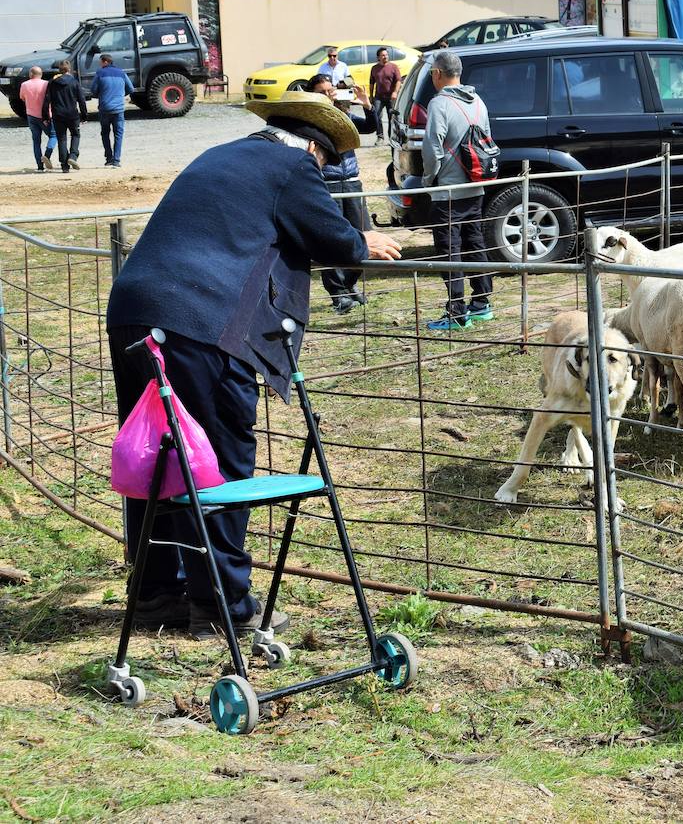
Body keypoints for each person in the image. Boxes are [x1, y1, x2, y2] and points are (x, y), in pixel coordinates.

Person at [105, 92, 402, 638]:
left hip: (133, 311)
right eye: (326, 164)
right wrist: (363, 238)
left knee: (159, 456)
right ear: (317, 148)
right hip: (199, 321)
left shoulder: (221, 154)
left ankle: (153, 595)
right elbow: (328, 234)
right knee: (215, 463)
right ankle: (222, 607)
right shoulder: (293, 165)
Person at [422, 49, 494, 331]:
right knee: (475, 242)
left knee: (449, 250)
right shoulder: (477, 100)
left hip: (448, 191)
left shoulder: (439, 104)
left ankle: (456, 312)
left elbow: (432, 148)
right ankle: (482, 303)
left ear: (438, 74)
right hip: (475, 185)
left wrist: (430, 179)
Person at [307, 72, 376, 313]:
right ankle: (337, 293)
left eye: (330, 90)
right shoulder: (312, 119)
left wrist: (366, 104)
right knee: (332, 239)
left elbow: (370, 127)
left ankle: (350, 284)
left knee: (361, 234)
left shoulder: (344, 114)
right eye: (322, 92)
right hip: (329, 183)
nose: (328, 94)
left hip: (352, 181)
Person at [42, 60, 84, 173]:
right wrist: (84, 115)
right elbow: (81, 100)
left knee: (61, 138)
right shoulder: (74, 82)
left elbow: (46, 101)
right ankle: (73, 156)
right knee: (75, 134)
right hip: (72, 114)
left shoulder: (52, 83)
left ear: (59, 70)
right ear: (69, 69)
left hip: (58, 114)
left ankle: (64, 166)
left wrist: (45, 116)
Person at [94, 54, 135, 167]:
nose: (100, 64)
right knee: (118, 134)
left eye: (100, 62)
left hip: (104, 108)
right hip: (118, 109)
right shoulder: (121, 73)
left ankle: (108, 159)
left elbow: (93, 90)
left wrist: (102, 95)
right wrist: (121, 94)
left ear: (105, 62)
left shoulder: (99, 73)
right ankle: (116, 161)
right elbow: (131, 88)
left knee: (105, 133)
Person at [19, 66, 56, 172]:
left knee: (36, 141)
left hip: (31, 115)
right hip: (46, 115)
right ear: (41, 74)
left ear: (31, 74)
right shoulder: (46, 84)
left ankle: (40, 166)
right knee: (53, 135)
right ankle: (47, 155)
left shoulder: (24, 85)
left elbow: (22, 97)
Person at [368, 47, 402, 146]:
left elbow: (398, 81)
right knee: (377, 115)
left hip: (391, 97)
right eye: (383, 55)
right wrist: (371, 96)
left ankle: (392, 137)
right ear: (378, 57)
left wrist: (395, 92)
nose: (385, 57)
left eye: (386, 55)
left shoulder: (393, 67)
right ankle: (380, 137)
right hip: (379, 96)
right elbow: (371, 83)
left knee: (391, 117)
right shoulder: (374, 68)